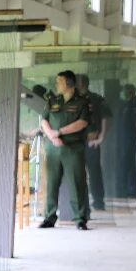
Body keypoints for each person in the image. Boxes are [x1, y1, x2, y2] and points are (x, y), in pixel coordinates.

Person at [39, 70, 92, 231]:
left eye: (59, 81)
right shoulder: (52, 100)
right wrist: (52, 135)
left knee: (77, 183)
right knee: (51, 183)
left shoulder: (82, 102)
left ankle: (80, 219)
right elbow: (44, 120)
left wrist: (60, 132)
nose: (57, 85)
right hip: (53, 147)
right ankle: (49, 217)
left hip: (73, 148)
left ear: (69, 83)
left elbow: (82, 123)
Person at [77, 74, 111, 212]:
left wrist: (102, 137)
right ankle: (81, 202)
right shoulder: (72, 99)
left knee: (94, 171)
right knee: (77, 172)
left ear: (83, 83)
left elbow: (106, 117)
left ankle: (98, 201)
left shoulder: (96, 99)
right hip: (75, 142)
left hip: (91, 141)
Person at [117, 84, 136, 198]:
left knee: (127, 162)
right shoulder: (126, 104)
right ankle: (125, 189)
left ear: (131, 92)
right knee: (126, 162)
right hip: (124, 137)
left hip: (131, 137)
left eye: (124, 91)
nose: (123, 93)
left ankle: (129, 190)